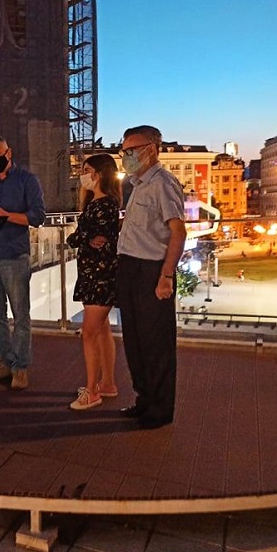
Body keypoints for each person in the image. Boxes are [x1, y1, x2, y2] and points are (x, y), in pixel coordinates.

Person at [116, 125, 187, 429]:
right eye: (124, 151)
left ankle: (160, 409)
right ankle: (144, 399)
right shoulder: (138, 184)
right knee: (135, 340)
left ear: (151, 150)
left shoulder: (163, 183)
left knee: (156, 343)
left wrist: (166, 275)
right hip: (130, 268)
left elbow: (178, 232)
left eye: (131, 150)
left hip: (151, 270)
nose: (126, 156)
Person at [0, 135, 46, 390]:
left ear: (9, 152)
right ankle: (5, 362)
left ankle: (20, 367)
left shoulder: (27, 180)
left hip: (15, 256)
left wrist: (6, 215)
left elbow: (37, 217)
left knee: (20, 315)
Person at [67, 154, 121, 410]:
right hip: (94, 273)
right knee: (101, 329)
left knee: (89, 333)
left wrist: (83, 237)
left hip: (99, 274)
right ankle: (107, 383)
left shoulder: (103, 205)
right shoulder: (100, 204)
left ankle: (92, 390)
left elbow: (80, 237)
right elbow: (82, 237)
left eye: (86, 170)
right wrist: (85, 237)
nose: (83, 175)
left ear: (99, 174)